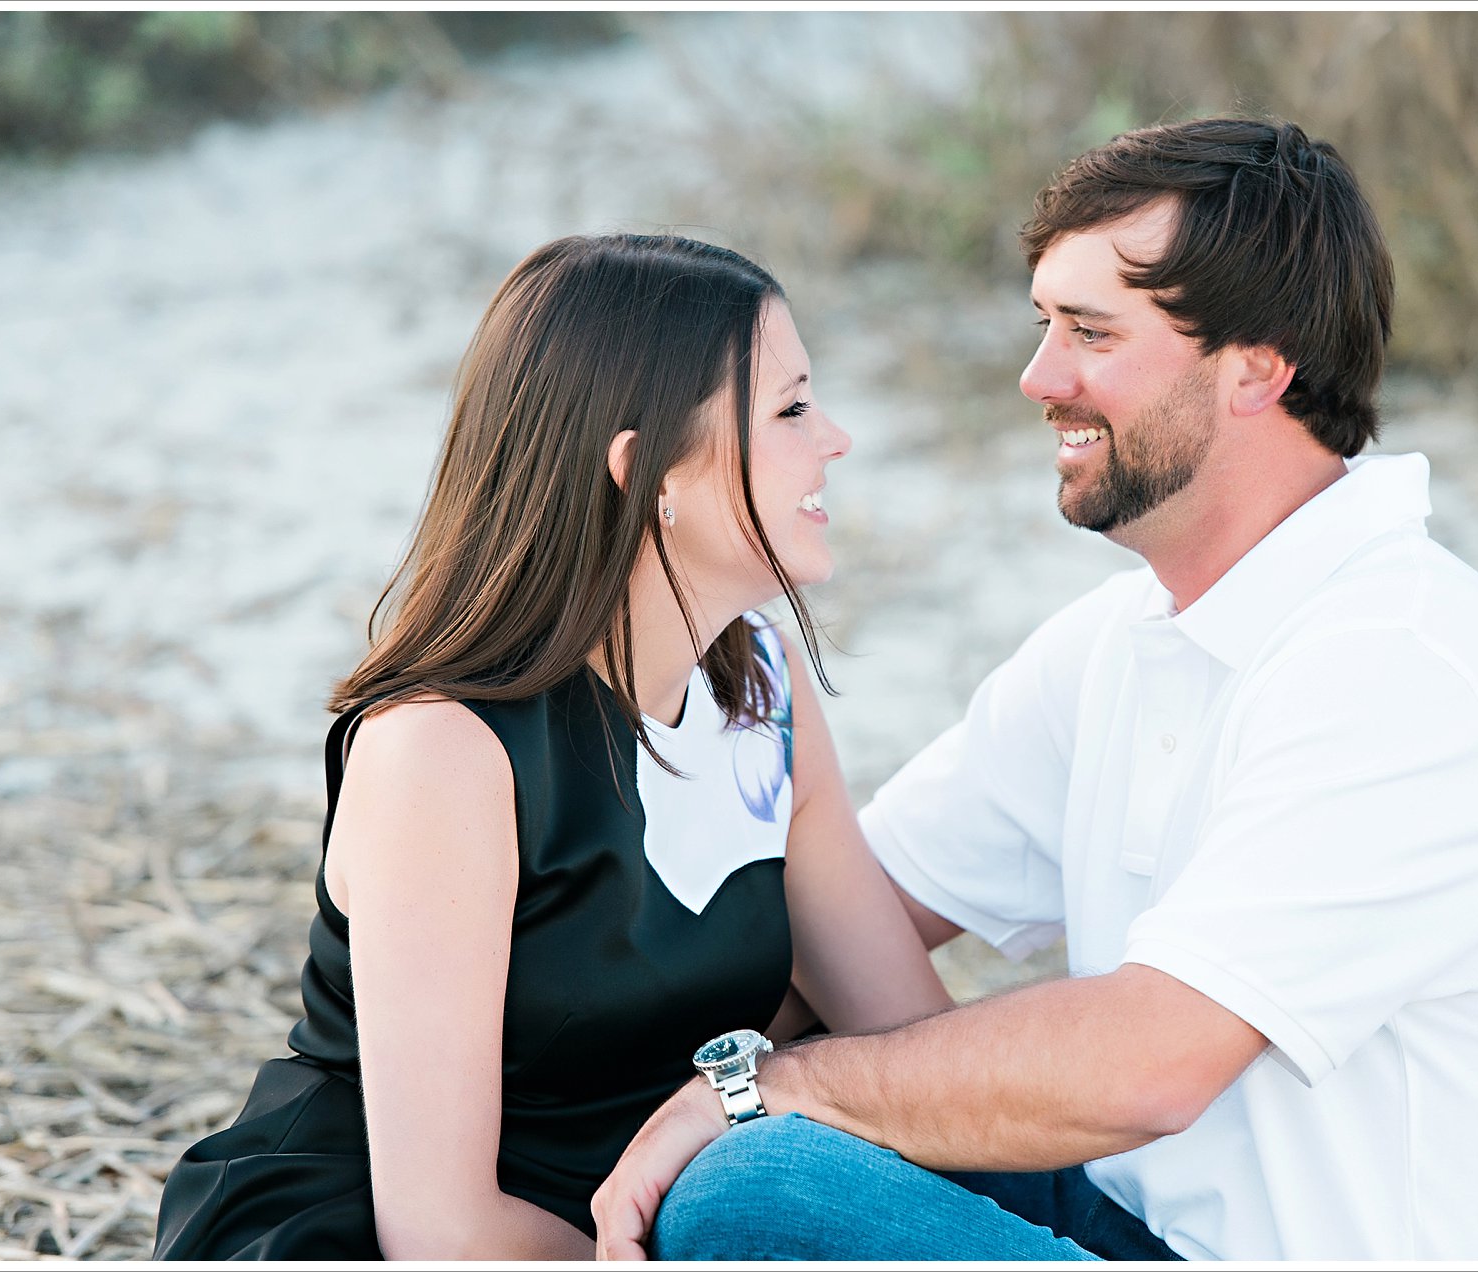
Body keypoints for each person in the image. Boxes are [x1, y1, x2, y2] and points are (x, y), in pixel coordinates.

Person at [593, 118, 1478, 1261]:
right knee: (747, 1163)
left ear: (1257, 367)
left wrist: (758, 1094)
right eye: (1045, 325)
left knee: (756, 1190)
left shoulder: (1403, 668)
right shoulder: (1122, 642)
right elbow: (835, 922)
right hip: (1126, 1227)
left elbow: (1151, 1063)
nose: (1039, 378)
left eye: (1091, 333)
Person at [152, 233, 952, 1258]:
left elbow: (906, 1038)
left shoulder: (761, 683)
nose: (833, 438)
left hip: (683, 1216)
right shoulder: (443, 753)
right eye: (790, 409)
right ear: (645, 473)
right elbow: (442, 1231)